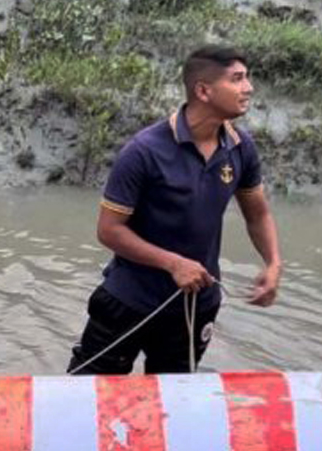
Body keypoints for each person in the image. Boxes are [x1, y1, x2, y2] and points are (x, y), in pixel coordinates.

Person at [67, 44, 282, 375]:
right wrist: (173, 263)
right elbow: (109, 230)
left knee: (175, 403)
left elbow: (258, 214)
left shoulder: (241, 147)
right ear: (203, 90)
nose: (248, 88)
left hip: (195, 305)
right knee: (88, 393)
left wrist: (272, 263)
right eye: (237, 79)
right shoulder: (144, 151)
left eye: (247, 78)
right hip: (129, 300)